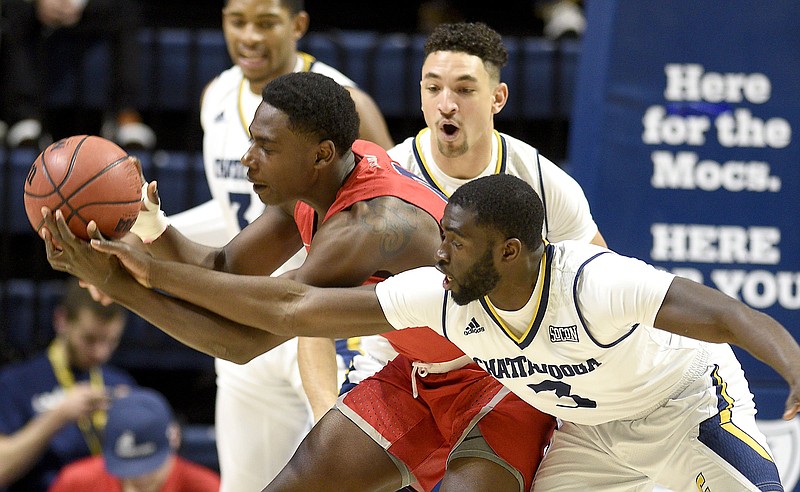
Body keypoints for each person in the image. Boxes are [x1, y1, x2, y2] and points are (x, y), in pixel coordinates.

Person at [71, 174, 800, 491]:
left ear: (510, 252)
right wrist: (137, 274)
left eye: (454, 241)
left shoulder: (596, 282)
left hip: (683, 411)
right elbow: (289, 311)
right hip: (588, 433)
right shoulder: (446, 296)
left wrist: (795, 366)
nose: (437, 252)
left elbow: (734, 317)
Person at [41, 71, 557, 492]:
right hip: (419, 373)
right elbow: (226, 271)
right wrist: (151, 230)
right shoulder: (312, 184)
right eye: (252, 142)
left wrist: (130, 283)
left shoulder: (372, 224)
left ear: (321, 154)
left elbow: (245, 339)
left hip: (500, 378)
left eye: (266, 147)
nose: (248, 159)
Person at [309, 20, 606, 433]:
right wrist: (325, 413)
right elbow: (310, 309)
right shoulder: (381, 179)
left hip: (505, 370)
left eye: (465, 90)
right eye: (433, 89)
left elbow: (598, 280)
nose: (447, 103)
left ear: (497, 98)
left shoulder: (541, 180)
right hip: (395, 361)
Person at [157, 0, 394, 489]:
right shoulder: (216, 97)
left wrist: (138, 271)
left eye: (265, 23)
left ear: (298, 25)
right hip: (251, 296)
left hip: (323, 314)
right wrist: (142, 231)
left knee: (338, 474)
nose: (249, 37)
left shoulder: (343, 106)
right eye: (236, 21)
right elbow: (229, 218)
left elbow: (385, 212)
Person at [0, 277, 134, 492]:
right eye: (89, 339)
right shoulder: (16, 382)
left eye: (110, 341)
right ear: (61, 320)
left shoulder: (119, 384)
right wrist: (57, 416)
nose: (101, 352)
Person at [0, 0, 156, 149]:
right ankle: (26, 118)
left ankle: (125, 115)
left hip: (94, 9)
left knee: (126, 8)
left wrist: (78, 2)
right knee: (15, 9)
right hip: (37, 12)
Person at [48, 386, 220, 492]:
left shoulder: (207, 487)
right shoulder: (76, 483)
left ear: (174, 438)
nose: (141, 477)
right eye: (128, 468)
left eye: (151, 465)